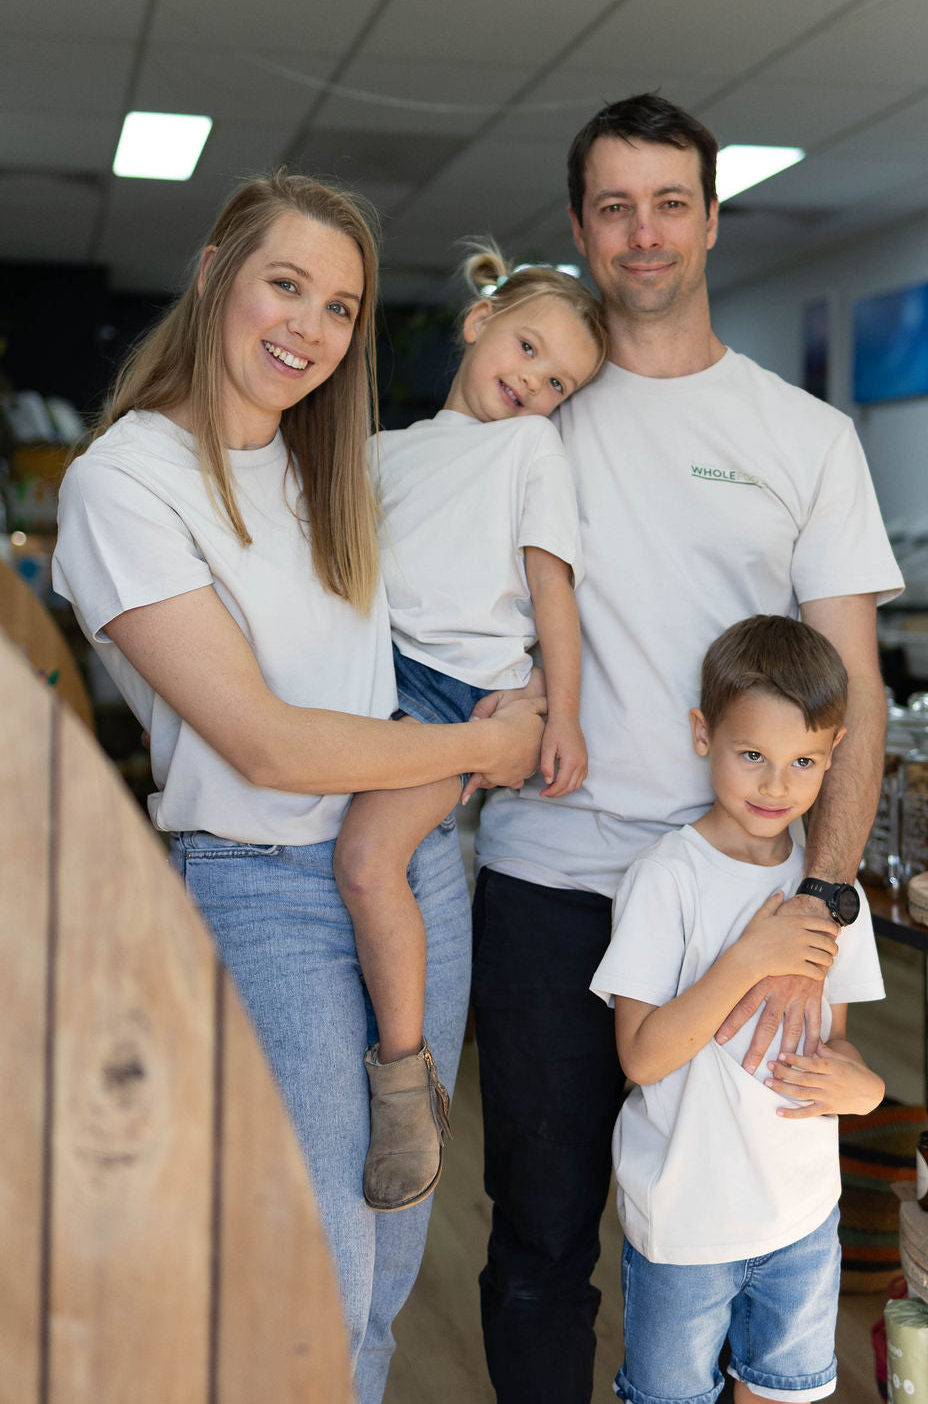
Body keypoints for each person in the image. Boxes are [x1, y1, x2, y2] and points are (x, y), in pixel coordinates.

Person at [51, 170, 545, 1404]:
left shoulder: (340, 474)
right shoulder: (126, 482)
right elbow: (267, 744)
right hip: (265, 898)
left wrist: (528, 696)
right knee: (309, 1280)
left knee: (384, 1269)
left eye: (341, 307)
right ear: (217, 269)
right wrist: (483, 749)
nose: (308, 328)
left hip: (414, 877)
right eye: (286, 284)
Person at [471, 94, 904, 1401]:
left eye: (671, 203)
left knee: (757, 1225)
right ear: (579, 228)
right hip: (553, 877)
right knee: (543, 1226)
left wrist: (821, 902)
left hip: (752, 894)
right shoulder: (527, 415)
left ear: (713, 220)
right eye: (615, 206)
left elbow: (858, 696)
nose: (644, 233)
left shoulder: (804, 439)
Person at [333, 243, 605, 1213]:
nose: (531, 382)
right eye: (526, 347)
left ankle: (405, 1083)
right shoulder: (380, 451)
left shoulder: (528, 449)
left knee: (367, 863)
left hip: (454, 694)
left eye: (556, 380)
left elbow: (552, 589)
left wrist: (556, 710)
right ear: (477, 320)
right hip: (363, 680)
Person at [591, 615, 885, 1404]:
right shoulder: (666, 879)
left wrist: (865, 1091)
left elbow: (838, 1047)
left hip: (802, 1219)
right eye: (752, 755)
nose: (776, 785)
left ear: (835, 754)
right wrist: (748, 961)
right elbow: (642, 1056)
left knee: (785, 1393)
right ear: (703, 735)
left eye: (803, 763)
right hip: (687, 1225)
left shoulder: (831, 897)